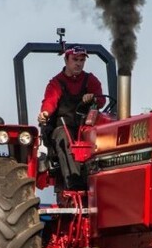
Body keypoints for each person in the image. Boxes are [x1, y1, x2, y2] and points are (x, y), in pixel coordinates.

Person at [37, 45, 105, 189]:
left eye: (81, 60)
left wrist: (93, 98)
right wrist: (45, 113)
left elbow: (101, 100)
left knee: (102, 136)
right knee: (63, 137)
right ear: (66, 60)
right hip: (63, 127)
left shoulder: (90, 80)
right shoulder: (56, 83)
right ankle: (74, 183)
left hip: (84, 127)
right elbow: (50, 101)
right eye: (75, 59)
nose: (78, 63)